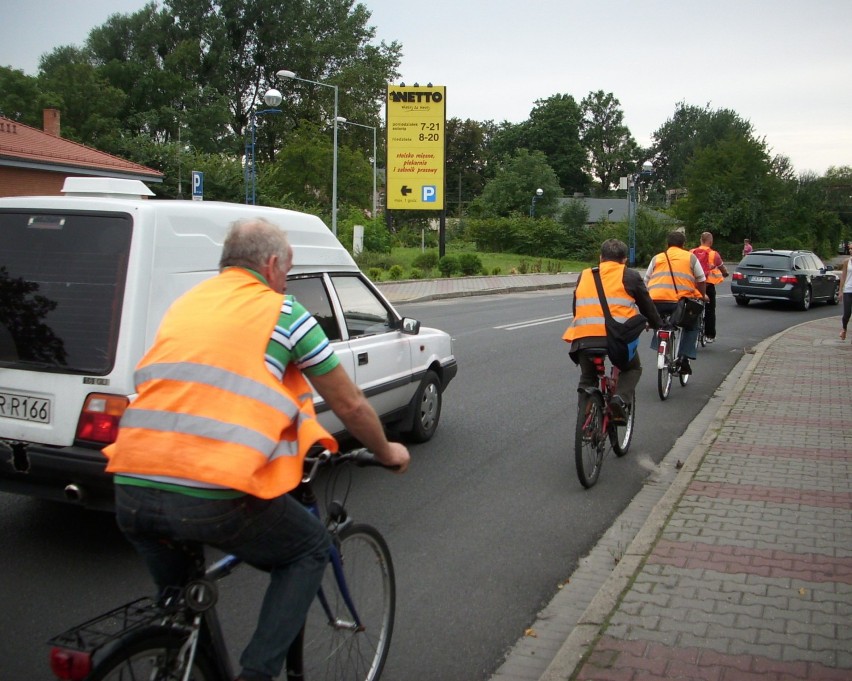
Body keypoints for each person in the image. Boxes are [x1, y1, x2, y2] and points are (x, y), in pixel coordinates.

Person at [103, 217, 410, 681]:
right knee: (308, 550)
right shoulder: (281, 312)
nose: (285, 281)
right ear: (270, 266)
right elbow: (348, 402)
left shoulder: (186, 306)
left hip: (130, 486)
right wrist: (387, 452)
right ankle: (258, 674)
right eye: (287, 271)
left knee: (181, 608)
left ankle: (175, 657)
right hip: (211, 494)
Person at [563, 239, 663, 420]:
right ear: (624, 260)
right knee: (632, 369)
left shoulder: (584, 275)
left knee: (587, 377)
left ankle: (585, 420)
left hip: (583, 338)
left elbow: (576, 308)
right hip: (616, 339)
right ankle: (619, 399)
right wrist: (657, 324)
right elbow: (647, 307)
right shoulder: (630, 276)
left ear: (600, 258)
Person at [645, 231, 708, 376]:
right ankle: (683, 358)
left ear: (667, 244)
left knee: (659, 322)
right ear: (683, 245)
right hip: (680, 303)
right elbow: (701, 279)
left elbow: (646, 281)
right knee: (692, 325)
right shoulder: (690, 258)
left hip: (656, 301)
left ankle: (661, 342)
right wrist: (702, 296)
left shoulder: (657, 258)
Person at [690, 231, 729, 343]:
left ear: (700, 240)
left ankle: (689, 331)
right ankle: (710, 335)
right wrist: (725, 273)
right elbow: (722, 268)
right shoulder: (714, 254)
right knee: (710, 310)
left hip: (695, 286)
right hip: (708, 286)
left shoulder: (692, 252)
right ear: (710, 242)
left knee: (692, 308)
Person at [841, 255, 852, 341]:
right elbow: (843, 276)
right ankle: (844, 329)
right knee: (847, 313)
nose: (851, 251)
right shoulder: (846, 262)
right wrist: (840, 291)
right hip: (848, 290)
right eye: (850, 249)